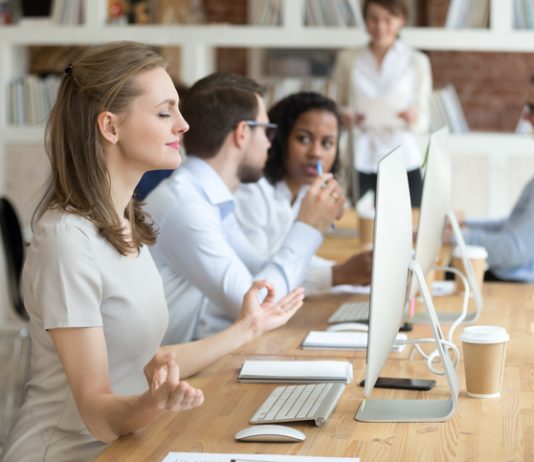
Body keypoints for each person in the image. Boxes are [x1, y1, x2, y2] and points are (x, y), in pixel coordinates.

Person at [1, 42, 305, 461]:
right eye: (165, 113)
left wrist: (247, 328)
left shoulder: (126, 222)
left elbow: (151, 360)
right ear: (110, 126)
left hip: (126, 445)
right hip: (72, 451)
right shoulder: (67, 240)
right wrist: (154, 403)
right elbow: (95, 410)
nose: (183, 125)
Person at [144, 73, 344, 344]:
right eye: (266, 131)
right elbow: (256, 309)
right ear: (242, 133)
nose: (270, 143)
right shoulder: (187, 207)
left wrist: (312, 227)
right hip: (166, 375)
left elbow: (258, 272)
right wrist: (307, 228)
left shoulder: (209, 199)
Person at [234, 91, 373, 294]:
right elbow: (261, 279)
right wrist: (338, 274)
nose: (316, 153)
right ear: (279, 140)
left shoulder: (305, 191)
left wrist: (354, 270)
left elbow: (300, 258)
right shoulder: (252, 192)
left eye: (327, 143)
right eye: (304, 139)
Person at [332, 0, 432, 207]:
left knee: (410, 220)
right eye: (374, 19)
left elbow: (424, 120)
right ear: (365, 21)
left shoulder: (417, 61)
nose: (380, 27)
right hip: (361, 155)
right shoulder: (348, 59)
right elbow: (336, 107)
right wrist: (346, 116)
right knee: (356, 221)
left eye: (388, 19)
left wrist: (413, 117)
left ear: (401, 20)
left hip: (403, 155)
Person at [444, 77, 534, 283]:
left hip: (515, 281)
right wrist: (464, 225)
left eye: (532, 108)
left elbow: (514, 249)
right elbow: (512, 226)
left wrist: (455, 238)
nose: (526, 117)